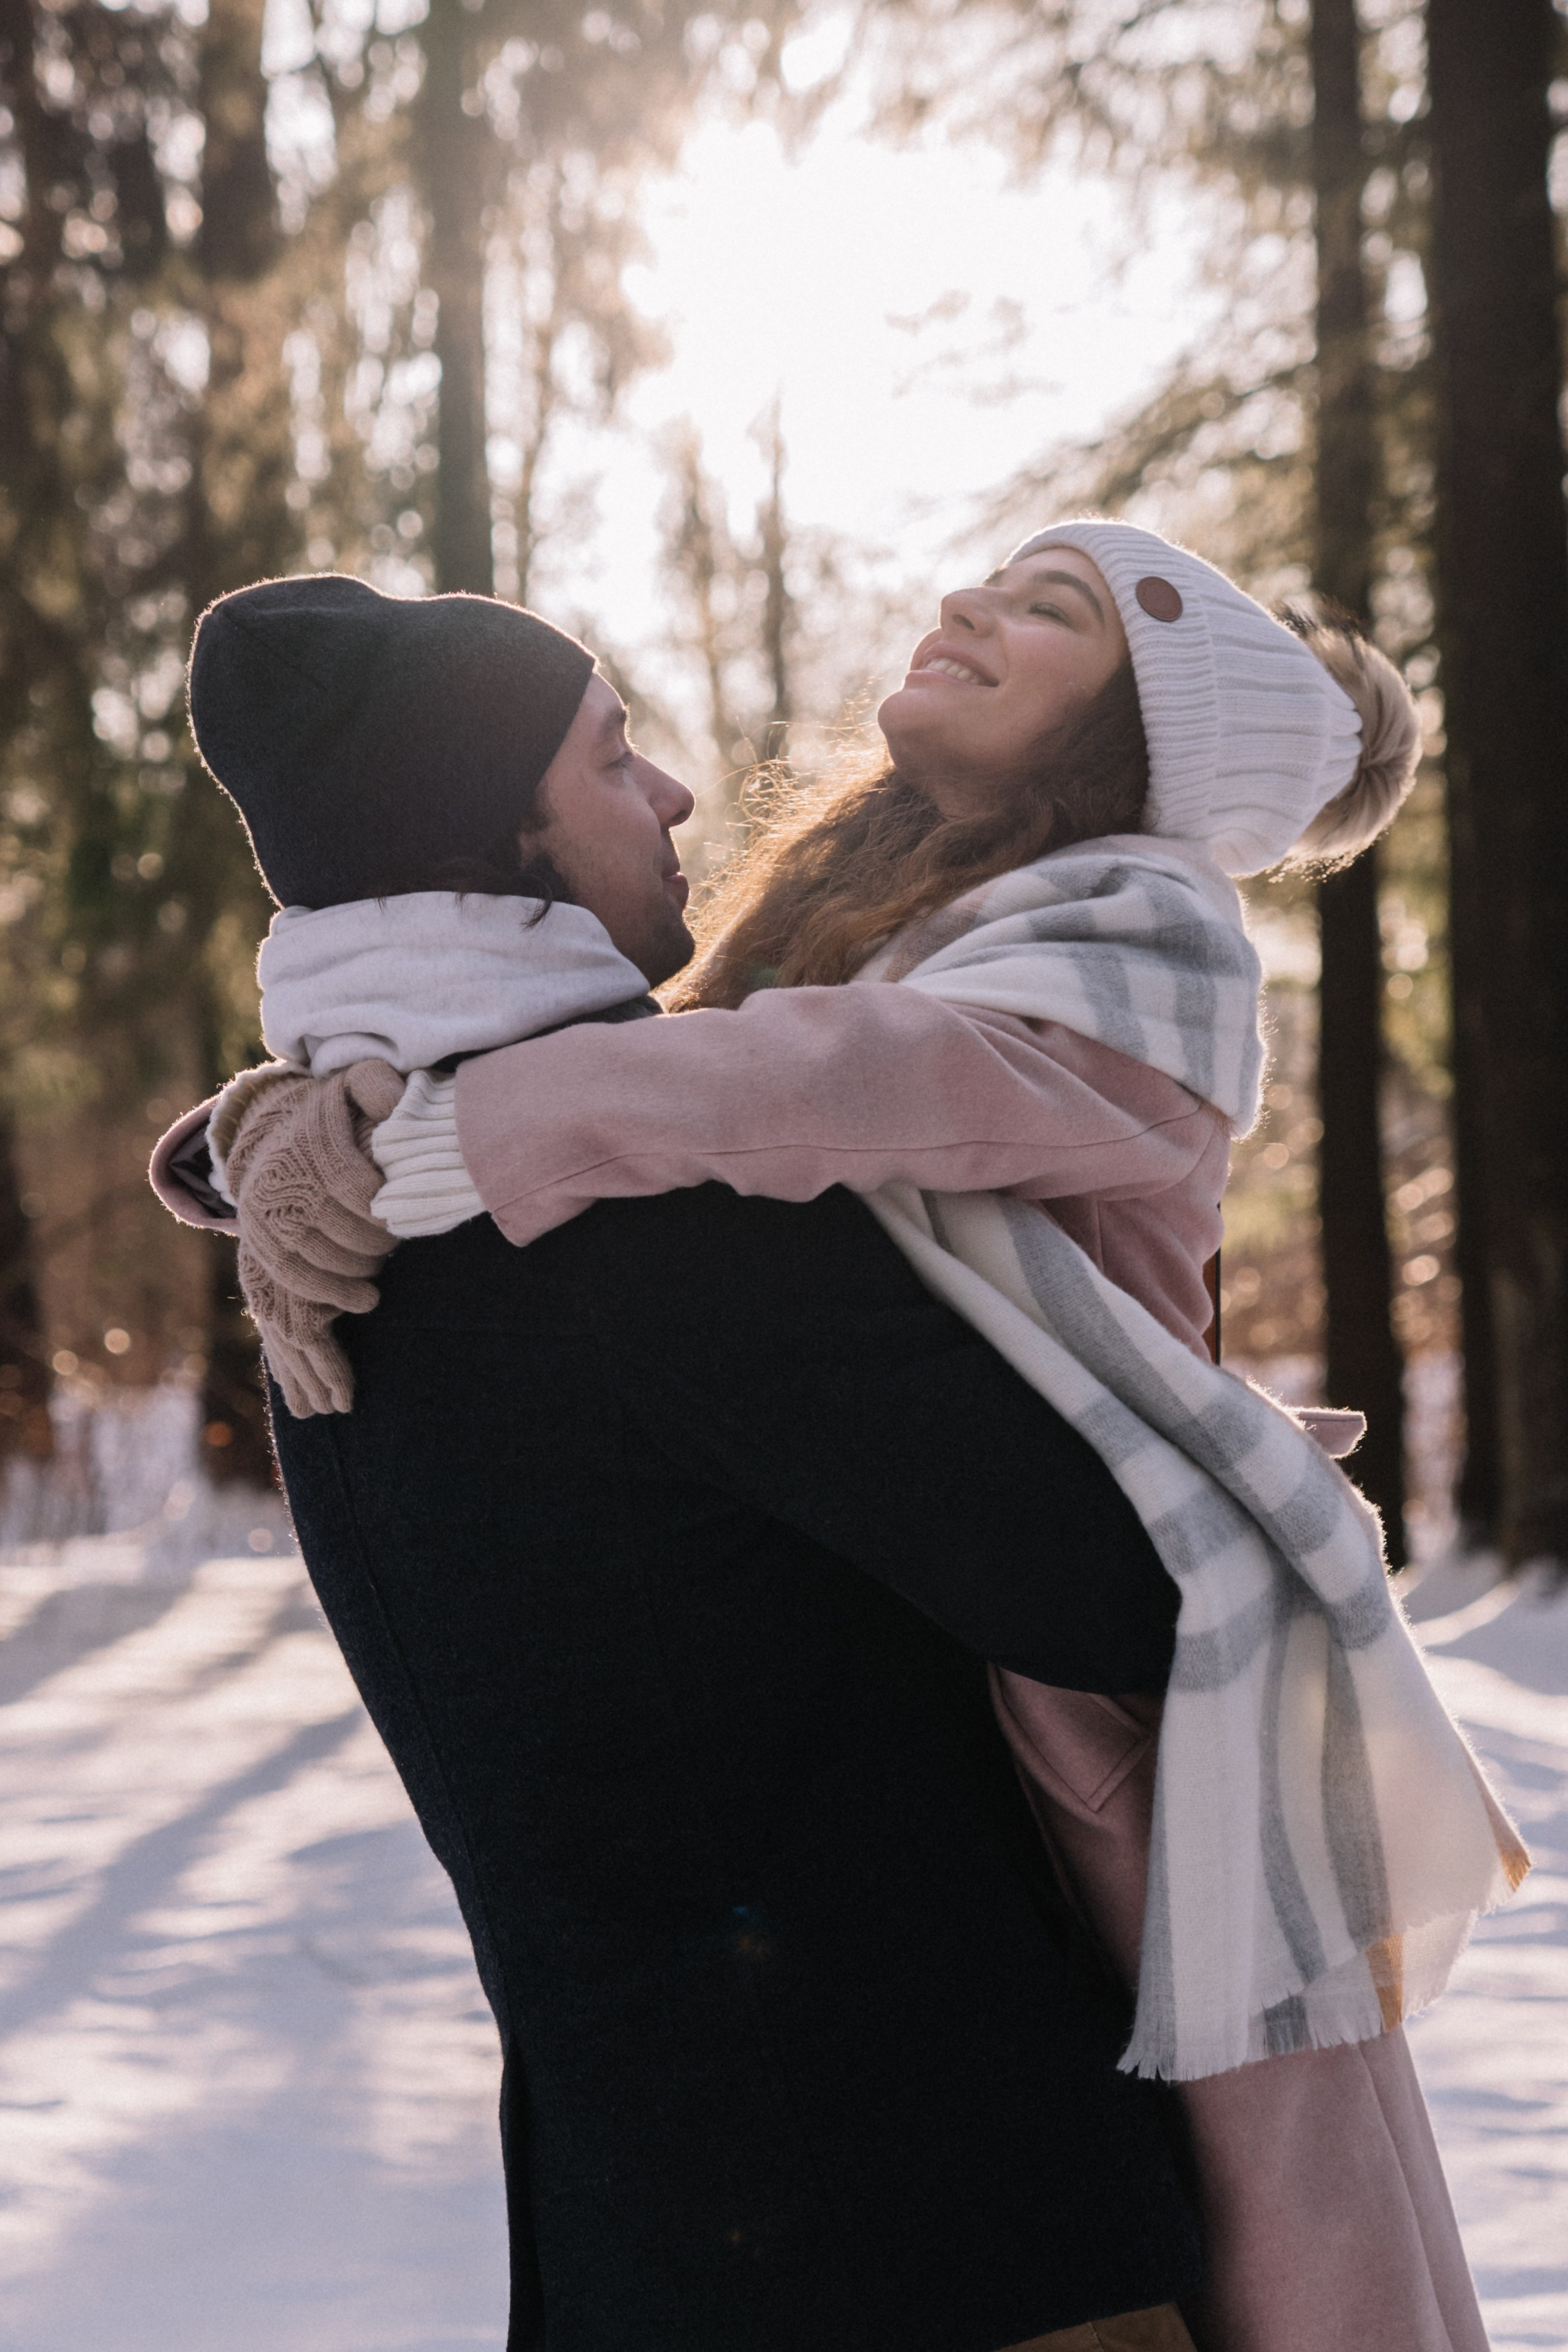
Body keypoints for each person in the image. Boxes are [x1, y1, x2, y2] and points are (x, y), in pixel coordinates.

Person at [160, 525, 1524, 2351]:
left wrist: (375, 1124)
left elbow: (833, 1098)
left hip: (649, 2215)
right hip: (927, 2214)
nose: (669, 789)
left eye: (1055, 612)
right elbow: (1107, 1585)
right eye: (605, 752)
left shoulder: (355, 1233)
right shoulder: (632, 1226)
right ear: (496, 834)